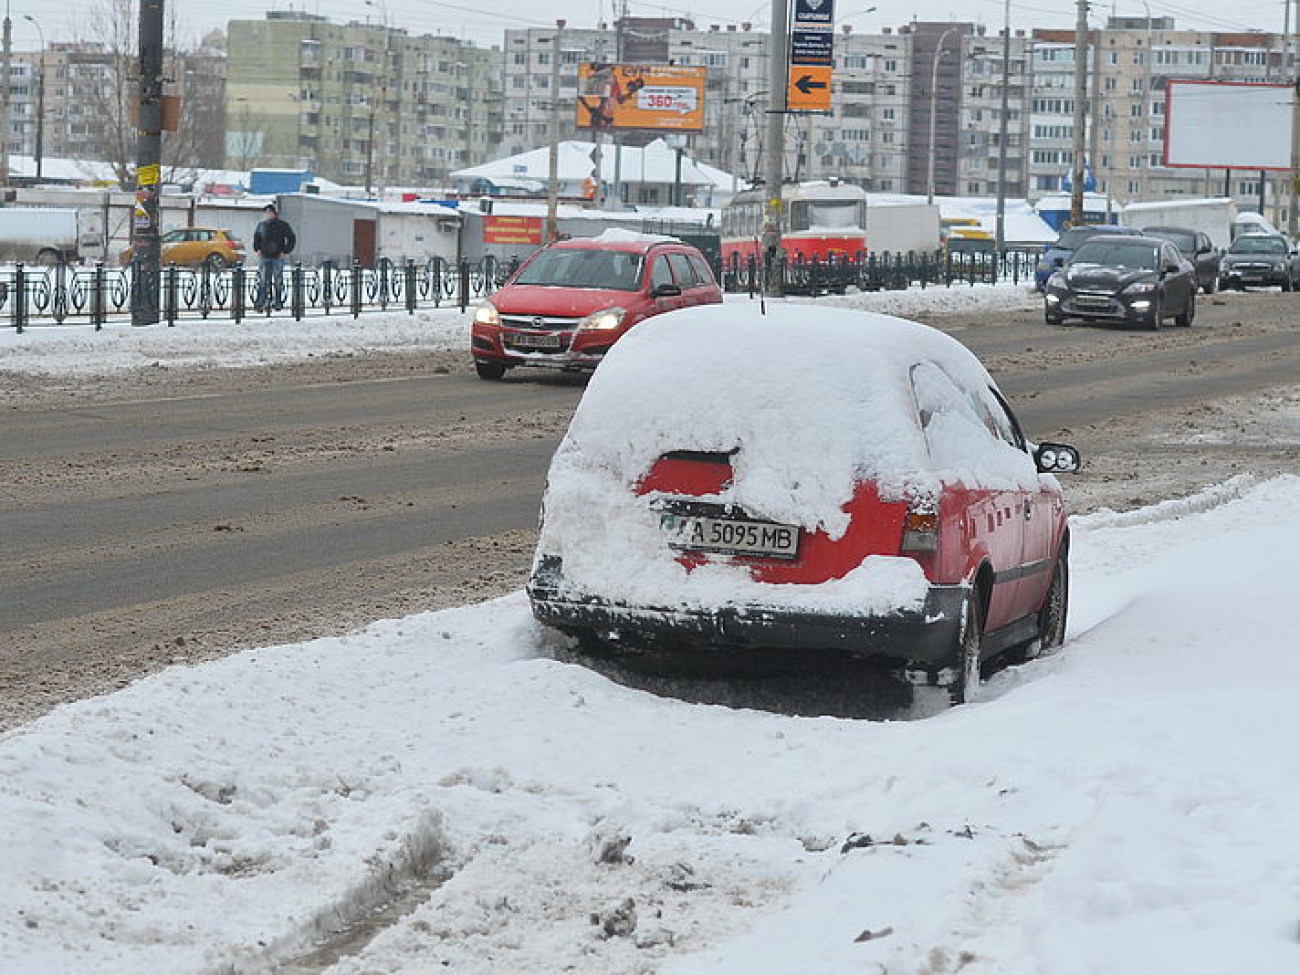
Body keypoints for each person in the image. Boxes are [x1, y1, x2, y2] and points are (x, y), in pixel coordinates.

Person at [252, 203, 296, 312]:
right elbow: (256, 238)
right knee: (262, 280)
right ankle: (260, 302)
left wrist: (285, 250)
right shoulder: (262, 225)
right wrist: (257, 249)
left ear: (275, 213)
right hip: (264, 256)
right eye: (266, 213)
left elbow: (291, 238)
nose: (268, 214)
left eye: (270, 212)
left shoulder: (282, 225)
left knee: (278, 280)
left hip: (277, 257)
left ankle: (277, 302)